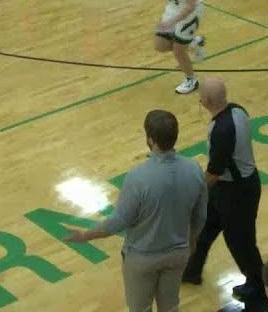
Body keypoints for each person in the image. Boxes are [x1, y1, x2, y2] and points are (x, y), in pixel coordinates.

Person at [62, 110, 207, 312]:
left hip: (142, 257)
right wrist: (191, 244)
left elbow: (118, 222)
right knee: (171, 307)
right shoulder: (194, 169)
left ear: (150, 140)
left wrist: (86, 235)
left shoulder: (138, 178)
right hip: (177, 252)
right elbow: (200, 216)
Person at [183, 78, 266, 306]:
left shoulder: (222, 130)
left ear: (207, 101)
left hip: (239, 192)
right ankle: (192, 270)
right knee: (204, 225)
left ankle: (259, 286)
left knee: (241, 242)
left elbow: (214, 173)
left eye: (201, 97)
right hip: (229, 187)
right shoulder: (237, 109)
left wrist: (193, 192)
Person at [156, 0, 207, 95]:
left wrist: (172, 21)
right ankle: (193, 43)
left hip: (189, 12)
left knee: (178, 50)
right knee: (161, 45)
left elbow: (190, 5)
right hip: (174, 8)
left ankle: (191, 80)